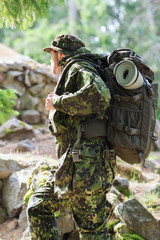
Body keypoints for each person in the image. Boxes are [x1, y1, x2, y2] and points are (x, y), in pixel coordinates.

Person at [27, 34, 116, 240]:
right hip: (83, 166)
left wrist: (57, 102)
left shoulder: (78, 68)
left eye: (52, 54)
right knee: (41, 208)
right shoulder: (80, 68)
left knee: (90, 230)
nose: (51, 60)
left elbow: (100, 96)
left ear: (59, 54)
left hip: (85, 169)